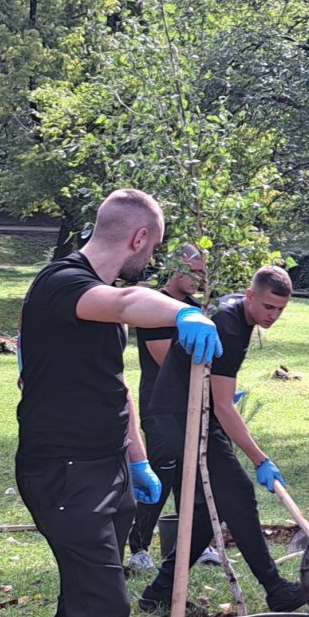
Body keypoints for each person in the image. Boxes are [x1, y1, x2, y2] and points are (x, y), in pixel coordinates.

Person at [14, 190, 222, 617]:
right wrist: (183, 313)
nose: (151, 261)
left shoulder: (96, 304)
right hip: (62, 473)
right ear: (137, 240)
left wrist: (135, 459)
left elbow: (117, 386)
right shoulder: (62, 285)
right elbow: (132, 301)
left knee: (79, 607)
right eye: (153, 249)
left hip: (102, 468)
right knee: (105, 605)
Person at [137, 265, 309, 614]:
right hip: (179, 418)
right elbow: (223, 406)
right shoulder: (231, 328)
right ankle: (275, 589)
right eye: (268, 307)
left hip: (193, 411)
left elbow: (217, 398)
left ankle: (158, 593)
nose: (274, 316)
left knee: (207, 514)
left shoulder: (236, 312)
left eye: (281, 309)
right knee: (237, 494)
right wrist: (260, 459)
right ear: (250, 296)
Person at [126, 243, 207, 572]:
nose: (198, 278)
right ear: (176, 266)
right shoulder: (154, 306)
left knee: (195, 477)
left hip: (193, 404)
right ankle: (139, 548)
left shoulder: (196, 306)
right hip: (161, 405)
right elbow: (166, 360)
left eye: (202, 273)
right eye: (193, 271)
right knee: (161, 473)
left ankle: (193, 547)